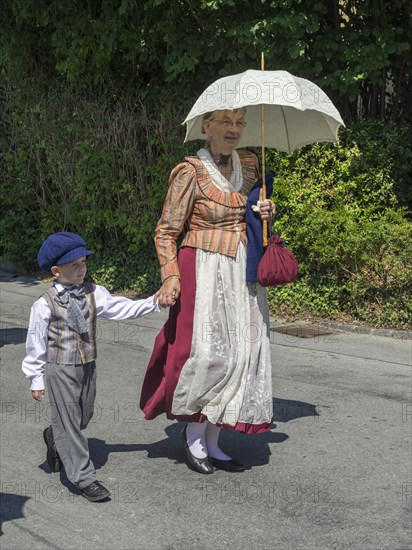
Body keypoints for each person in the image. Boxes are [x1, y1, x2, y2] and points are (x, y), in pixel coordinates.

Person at [140, 108, 276, 474]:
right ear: (206, 126)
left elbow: (253, 220)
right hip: (200, 268)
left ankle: (215, 443)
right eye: (225, 122)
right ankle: (194, 436)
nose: (234, 130)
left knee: (243, 354)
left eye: (240, 123)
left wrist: (266, 212)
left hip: (242, 271)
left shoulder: (250, 165)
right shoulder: (190, 171)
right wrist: (170, 277)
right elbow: (166, 231)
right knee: (207, 354)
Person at [22, 232, 161, 501]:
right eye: (74, 265)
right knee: (70, 425)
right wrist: (35, 378)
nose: (81, 268)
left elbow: (121, 308)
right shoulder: (44, 304)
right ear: (56, 270)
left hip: (87, 365)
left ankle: (54, 434)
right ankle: (84, 478)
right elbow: (35, 343)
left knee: (82, 417)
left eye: (84, 262)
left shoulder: (93, 292)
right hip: (59, 368)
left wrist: (152, 302)